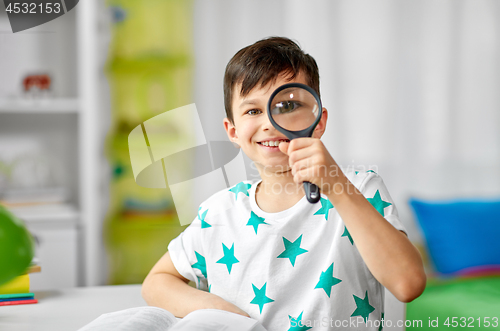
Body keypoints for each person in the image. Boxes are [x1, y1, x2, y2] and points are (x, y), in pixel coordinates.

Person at [142, 36, 426, 330]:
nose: (269, 122)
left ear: (318, 121)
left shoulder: (360, 189)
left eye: (287, 105)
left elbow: (408, 284)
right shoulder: (218, 213)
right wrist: (224, 314)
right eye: (253, 111)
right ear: (233, 131)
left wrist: (335, 185)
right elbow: (156, 282)